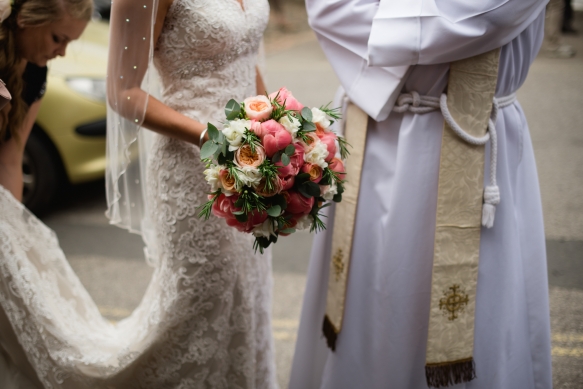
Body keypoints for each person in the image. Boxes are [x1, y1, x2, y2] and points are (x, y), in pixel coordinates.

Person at [0, 0, 277, 387]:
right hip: (193, 164)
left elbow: (244, 56)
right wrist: (212, 139)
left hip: (252, 160)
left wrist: (283, 132)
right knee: (200, 307)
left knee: (248, 297)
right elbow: (122, 92)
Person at [289, 1, 553, 388]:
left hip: (470, 131)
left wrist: (382, 23)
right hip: (371, 134)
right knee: (370, 312)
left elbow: (486, 14)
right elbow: (333, 8)